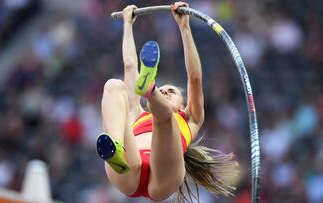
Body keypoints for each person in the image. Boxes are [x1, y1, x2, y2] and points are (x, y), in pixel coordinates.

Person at [96, 2, 238, 202]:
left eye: (170, 91)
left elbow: (194, 77)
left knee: (165, 120)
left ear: (182, 104)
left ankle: (149, 89)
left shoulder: (190, 119)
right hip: (128, 167)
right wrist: (128, 24)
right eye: (163, 91)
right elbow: (129, 66)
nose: (167, 92)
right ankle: (116, 149)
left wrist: (184, 27)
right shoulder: (137, 114)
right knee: (113, 85)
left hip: (163, 178)